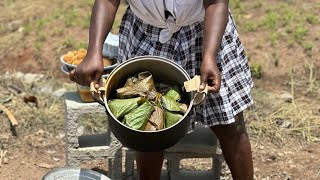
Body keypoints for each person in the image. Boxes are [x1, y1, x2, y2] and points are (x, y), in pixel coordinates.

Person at [70, 0, 254, 179]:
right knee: (149, 135)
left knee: (230, 126)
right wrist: (94, 51)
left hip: (206, 34)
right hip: (146, 35)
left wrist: (209, 57)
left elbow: (216, 3)